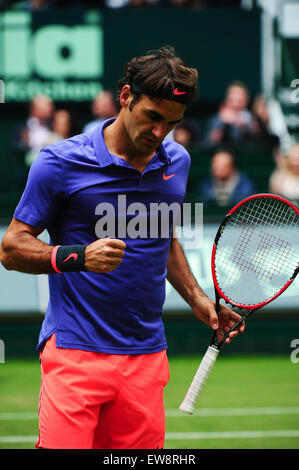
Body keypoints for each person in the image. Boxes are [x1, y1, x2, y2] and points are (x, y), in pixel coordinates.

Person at [0, 46, 244, 450]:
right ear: (126, 97)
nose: (160, 132)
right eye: (153, 117)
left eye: (172, 123)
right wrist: (78, 256)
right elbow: (11, 249)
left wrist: (199, 300)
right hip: (75, 350)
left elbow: (163, 240)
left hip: (147, 358)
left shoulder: (176, 161)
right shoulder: (59, 162)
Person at [204, 81, 254, 146]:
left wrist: (242, 126)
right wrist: (223, 124)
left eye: (239, 101)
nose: (236, 104)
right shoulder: (217, 120)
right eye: (233, 100)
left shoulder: (252, 120)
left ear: (246, 101)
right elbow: (209, 143)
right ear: (227, 100)